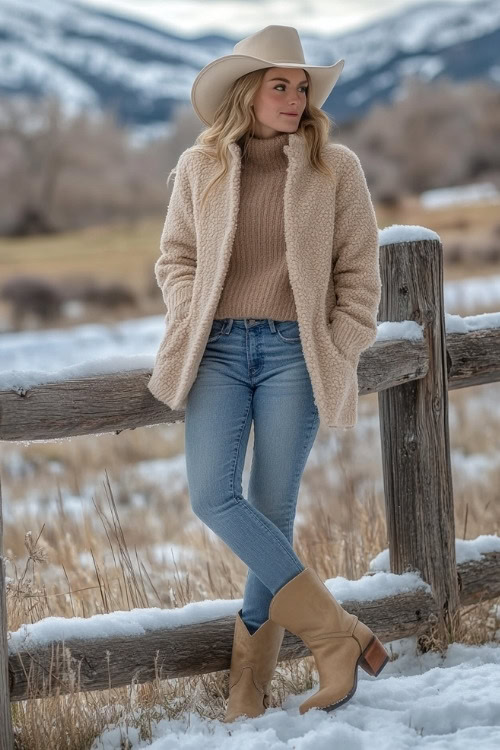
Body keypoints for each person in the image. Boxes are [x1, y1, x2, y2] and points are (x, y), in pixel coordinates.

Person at [147, 24, 388, 722]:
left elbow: (359, 274)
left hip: (294, 354)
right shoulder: (201, 168)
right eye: (279, 84)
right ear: (248, 92)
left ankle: (246, 683)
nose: (293, 96)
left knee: (273, 508)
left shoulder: (334, 167)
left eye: (301, 85)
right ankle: (336, 634)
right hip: (217, 350)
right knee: (213, 496)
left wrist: (338, 346)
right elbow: (175, 259)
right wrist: (195, 312)